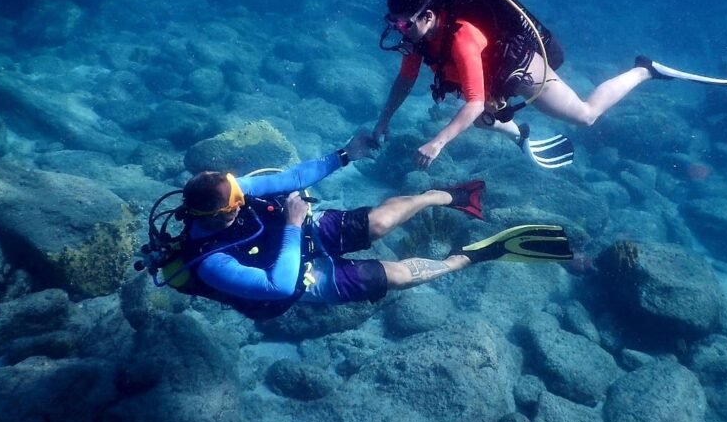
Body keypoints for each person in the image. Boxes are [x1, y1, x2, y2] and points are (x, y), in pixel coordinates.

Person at [141, 133, 573, 321]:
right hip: (298, 278)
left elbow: (291, 178)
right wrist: (292, 225)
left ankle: (449, 196)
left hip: (299, 234)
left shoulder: (233, 192)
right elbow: (277, 285)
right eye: (238, 199)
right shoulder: (211, 264)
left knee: (382, 222)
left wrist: (345, 155)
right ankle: (479, 254)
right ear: (219, 215)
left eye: (239, 190)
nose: (245, 195)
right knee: (399, 276)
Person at [374, 0, 727, 170]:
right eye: (394, 23)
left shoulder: (462, 36)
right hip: (491, 74)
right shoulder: (419, 41)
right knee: (479, 121)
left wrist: (437, 143)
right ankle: (522, 135)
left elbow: (473, 102)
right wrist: (383, 123)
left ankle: (645, 70)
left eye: (404, 23)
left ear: (428, 16)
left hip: (520, 67)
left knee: (586, 116)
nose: (399, 31)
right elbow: (404, 83)